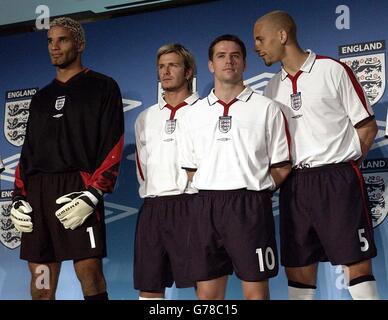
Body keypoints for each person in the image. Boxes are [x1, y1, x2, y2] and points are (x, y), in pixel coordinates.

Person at [254, 10, 379, 300]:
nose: (257, 47)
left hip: (337, 180)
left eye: (261, 39)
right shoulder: (272, 88)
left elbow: (367, 126)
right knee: (298, 268)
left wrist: (343, 165)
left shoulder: (332, 70)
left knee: (356, 262)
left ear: (282, 36)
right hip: (294, 185)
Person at [10, 17, 124, 300]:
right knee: (41, 284)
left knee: (90, 274)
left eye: (62, 40)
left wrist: (94, 193)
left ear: (80, 44)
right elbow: (28, 153)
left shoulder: (103, 87)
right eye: (50, 41)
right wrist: (18, 197)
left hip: (78, 188)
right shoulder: (41, 98)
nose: (54, 47)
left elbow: (113, 145)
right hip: (38, 194)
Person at [178, 34, 291, 300]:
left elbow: (282, 165)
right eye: (221, 56)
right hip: (205, 206)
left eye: (235, 56)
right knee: (207, 296)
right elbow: (190, 169)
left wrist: (255, 189)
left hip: (249, 207)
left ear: (244, 64)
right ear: (210, 65)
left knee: (255, 294)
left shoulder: (267, 108)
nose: (228, 61)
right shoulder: (192, 114)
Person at [133, 43, 199, 300]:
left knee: (203, 284)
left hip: (192, 205)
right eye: (161, 66)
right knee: (150, 287)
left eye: (173, 65)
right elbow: (142, 167)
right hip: (153, 208)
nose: (166, 71)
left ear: (189, 71)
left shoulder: (205, 111)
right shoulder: (145, 117)